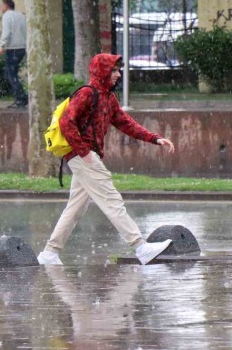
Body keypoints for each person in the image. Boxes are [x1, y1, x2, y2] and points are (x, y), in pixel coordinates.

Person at [36, 53, 177, 266]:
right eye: (114, 71)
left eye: (118, 70)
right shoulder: (87, 93)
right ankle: (140, 246)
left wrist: (155, 139)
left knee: (75, 207)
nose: (118, 75)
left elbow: (125, 123)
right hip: (83, 156)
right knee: (111, 198)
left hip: (84, 156)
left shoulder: (108, 98)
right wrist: (84, 152)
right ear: (102, 72)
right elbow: (67, 122)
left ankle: (49, 253)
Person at [0, 0, 28, 108]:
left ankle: (21, 98)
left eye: (2, 6)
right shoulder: (20, 15)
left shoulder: (7, 16)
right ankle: (22, 97)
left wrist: (1, 46)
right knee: (12, 73)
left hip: (12, 49)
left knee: (11, 74)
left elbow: (6, 32)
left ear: (6, 6)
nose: (1, 8)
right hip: (22, 48)